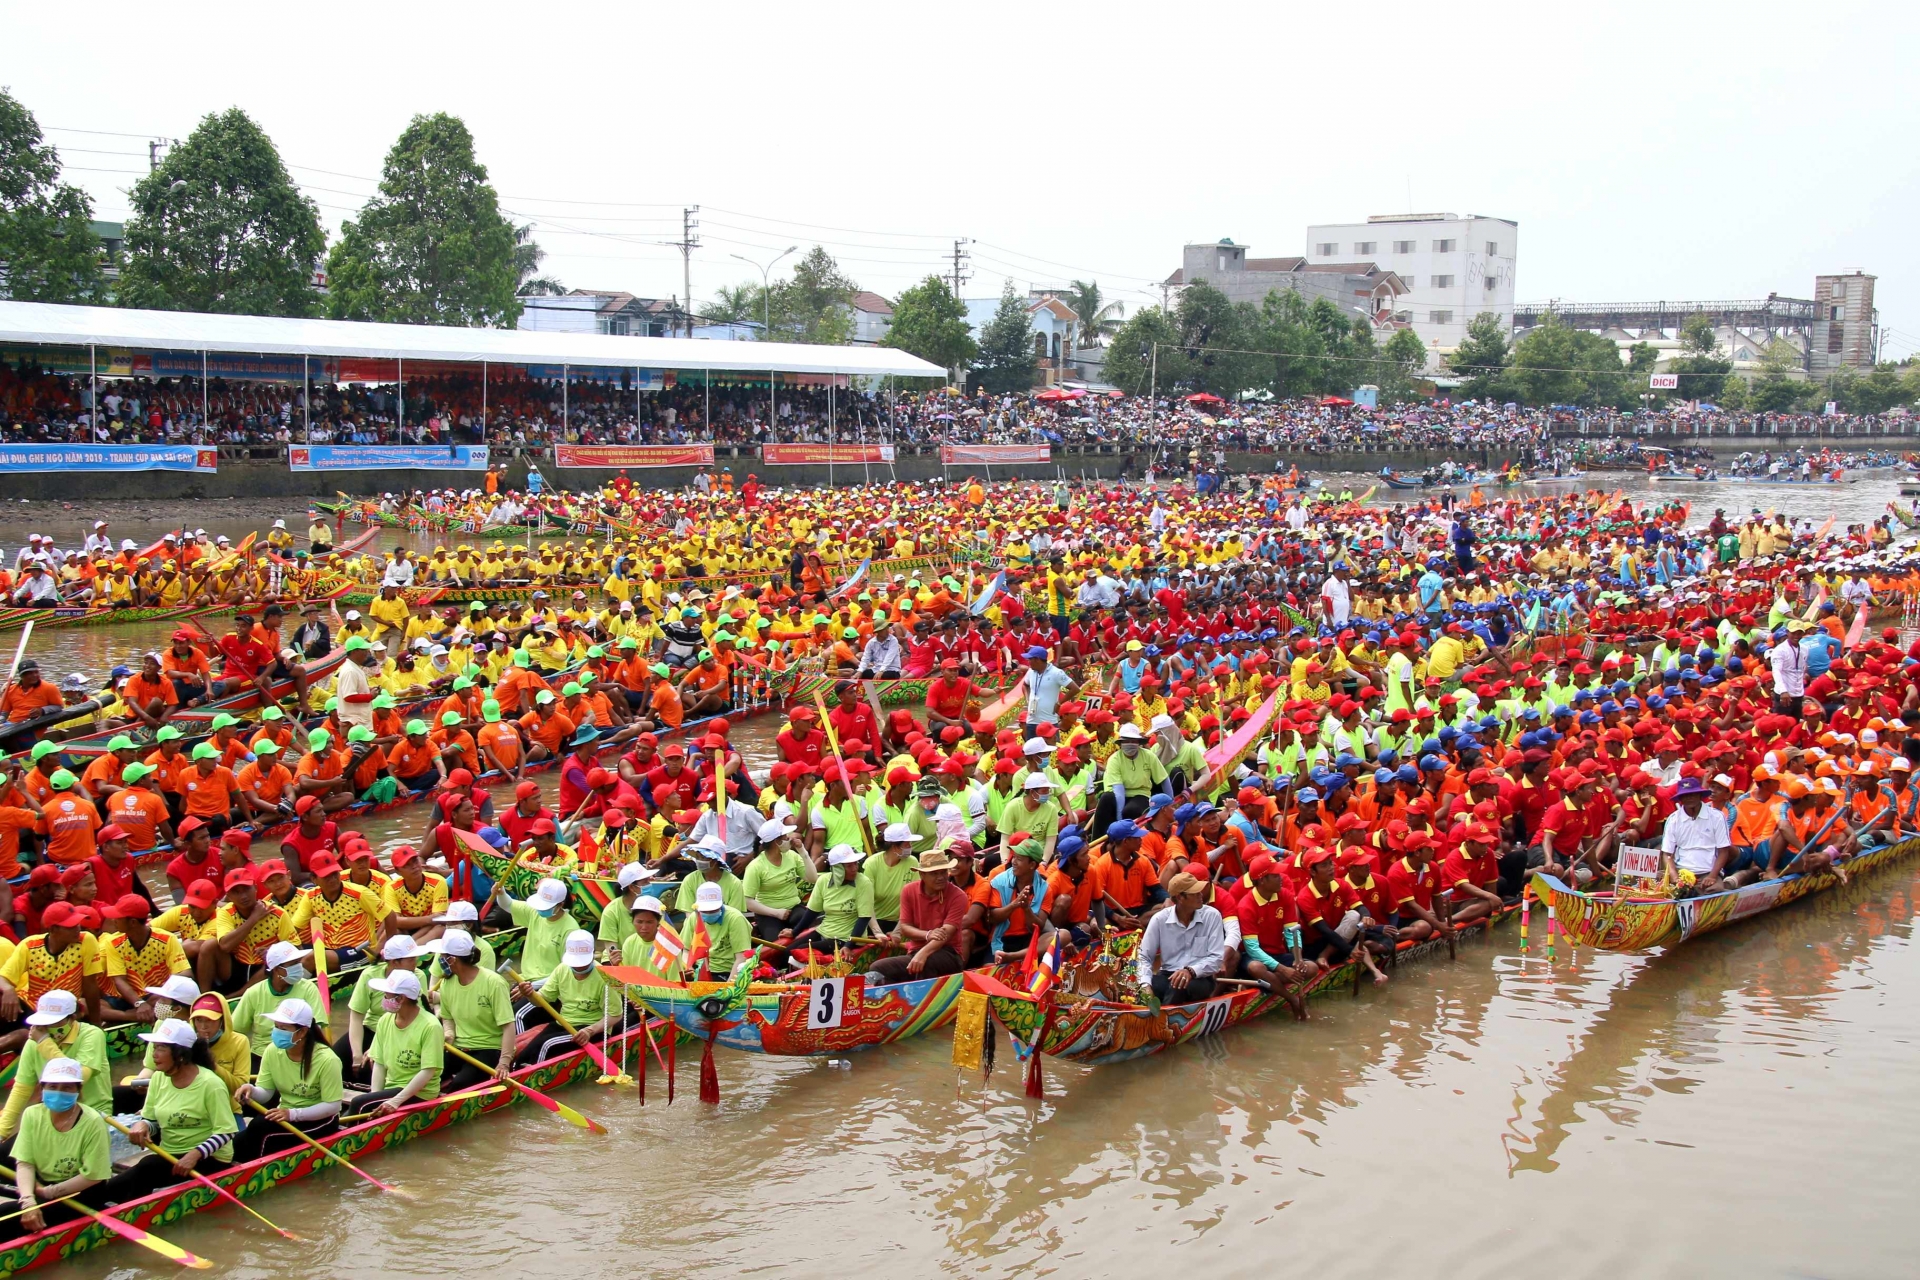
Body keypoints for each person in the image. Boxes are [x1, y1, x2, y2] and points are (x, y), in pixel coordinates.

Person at [103, 1017, 238, 1202]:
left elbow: (226, 1132)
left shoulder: (211, 1084)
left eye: (161, 1048)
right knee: (111, 1187)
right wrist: (142, 1126)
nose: (154, 1054)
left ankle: (132, 1214)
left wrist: (194, 1155)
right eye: (155, 1047)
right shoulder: (158, 1078)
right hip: (170, 1154)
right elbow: (151, 1120)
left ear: (181, 1054)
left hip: (208, 1157)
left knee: (147, 1167)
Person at [231, 997, 343, 1164]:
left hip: (320, 1121)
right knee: (235, 1144)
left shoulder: (327, 1060)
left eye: (283, 1028)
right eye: (276, 1027)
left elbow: (333, 1106)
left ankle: (249, 1171)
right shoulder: (272, 1051)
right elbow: (266, 1093)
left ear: (303, 1031)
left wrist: (292, 1114)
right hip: (286, 1115)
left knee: (260, 1127)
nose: (277, 1032)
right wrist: (251, 1090)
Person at [345, 969, 444, 1116]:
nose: (383, 998)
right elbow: (379, 1063)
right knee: (361, 1103)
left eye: (386, 995)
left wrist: (395, 1101)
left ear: (401, 998)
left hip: (420, 1093)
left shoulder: (431, 1026)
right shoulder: (385, 1020)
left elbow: (428, 1071)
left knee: (358, 1103)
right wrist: (374, 1097)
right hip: (392, 1087)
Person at [432, 931, 518, 1092]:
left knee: (459, 1087)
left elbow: (508, 1025)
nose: (440, 960)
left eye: (442, 956)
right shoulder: (447, 983)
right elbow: (447, 1017)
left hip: (490, 1048)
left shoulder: (494, 983)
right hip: (460, 1047)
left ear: (452, 959)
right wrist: (449, 1033)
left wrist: (504, 1062)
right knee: (427, 1078)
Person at [869, 847, 968, 983]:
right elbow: (905, 927)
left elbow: (946, 934)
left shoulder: (958, 896)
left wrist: (923, 953)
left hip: (949, 953)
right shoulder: (909, 891)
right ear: (922, 875)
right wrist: (927, 935)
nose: (941, 877)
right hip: (916, 952)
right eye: (934, 873)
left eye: (943, 872)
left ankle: (925, 1003)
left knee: (926, 963)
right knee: (877, 968)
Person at [1135, 871, 1224, 1004]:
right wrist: (1145, 985)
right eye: (1195, 893)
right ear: (1180, 898)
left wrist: (1190, 971)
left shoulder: (1212, 916)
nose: (1201, 895)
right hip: (1167, 975)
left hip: (1200, 979)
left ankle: (1162, 1021)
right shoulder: (1159, 919)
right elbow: (1144, 957)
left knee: (1179, 986)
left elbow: (1216, 958)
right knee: (1141, 987)